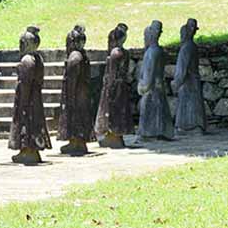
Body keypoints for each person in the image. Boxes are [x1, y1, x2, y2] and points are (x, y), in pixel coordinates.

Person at [8, 26, 51, 164]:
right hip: (36, 98)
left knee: (26, 122)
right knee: (35, 122)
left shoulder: (27, 60)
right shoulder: (38, 58)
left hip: (27, 99)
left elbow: (25, 85)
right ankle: (32, 150)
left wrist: (22, 103)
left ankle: (27, 150)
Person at [57, 25, 95, 155]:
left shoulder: (74, 57)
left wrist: (69, 96)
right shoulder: (82, 55)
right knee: (81, 115)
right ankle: (78, 142)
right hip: (83, 93)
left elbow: (71, 80)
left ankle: (76, 142)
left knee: (75, 116)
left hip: (76, 94)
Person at [95, 23, 134, 148]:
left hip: (114, 87)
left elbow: (112, 74)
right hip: (121, 86)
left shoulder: (114, 54)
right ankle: (115, 136)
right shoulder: (125, 53)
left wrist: (109, 89)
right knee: (119, 111)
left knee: (112, 111)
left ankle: (113, 136)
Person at [136, 20, 174, 141]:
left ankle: (150, 134)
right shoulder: (158, 51)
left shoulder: (152, 53)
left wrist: (143, 87)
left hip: (151, 89)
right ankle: (157, 132)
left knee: (150, 111)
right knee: (158, 111)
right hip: (158, 88)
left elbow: (149, 74)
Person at [171, 18, 207, 134]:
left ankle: (187, 127)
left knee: (188, 105)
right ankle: (195, 127)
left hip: (188, 82)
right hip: (193, 80)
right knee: (193, 105)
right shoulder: (192, 46)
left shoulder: (186, 48)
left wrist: (176, 83)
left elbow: (182, 69)